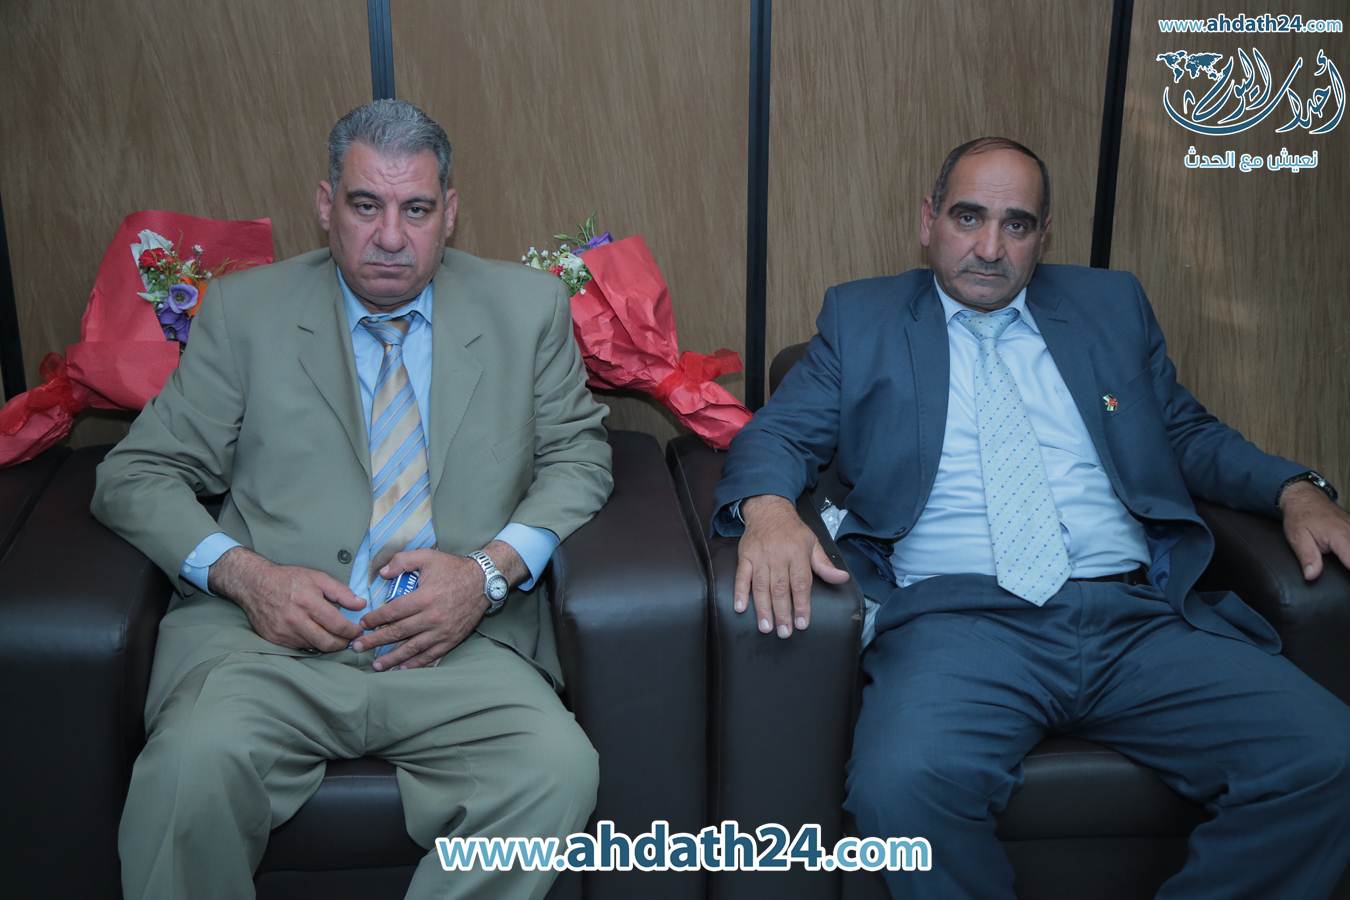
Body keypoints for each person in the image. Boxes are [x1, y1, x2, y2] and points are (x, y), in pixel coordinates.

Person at [712, 137, 1350, 898]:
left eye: (1015, 225)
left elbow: (1186, 435)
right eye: (968, 217)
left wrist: (1294, 489)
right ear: (928, 220)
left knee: (1327, 757)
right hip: (957, 620)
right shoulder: (864, 318)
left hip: (1134, 618)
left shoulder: (1110, 308)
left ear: (1044, 235)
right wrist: (769, 510)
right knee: (902, 789)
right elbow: (780, 435)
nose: (989, 248)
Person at [92, 99, 612, 900]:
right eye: (367, 206)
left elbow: (579, 458)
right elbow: (135, 474)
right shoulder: (246, 313)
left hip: (457, 643)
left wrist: (485, 575)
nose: (391, 237)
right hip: (268, 647)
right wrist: (248, 578)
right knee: (188, 769)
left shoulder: (526, 309)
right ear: (326, 205)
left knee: (556, 768)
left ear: (450, 213)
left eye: (417, 210)